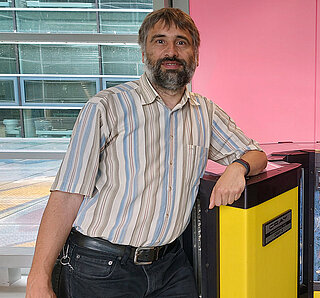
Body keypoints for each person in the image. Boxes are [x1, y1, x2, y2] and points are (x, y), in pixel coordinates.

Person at [26, 8, 267, 298]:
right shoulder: (106, 107)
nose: (171, 51)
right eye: (160, 41)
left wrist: (237, 167)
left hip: (171, 267)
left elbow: (256, 154)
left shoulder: (205, 112)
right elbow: (67, 194)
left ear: (196, 56)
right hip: (101, 268)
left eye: (181, 42)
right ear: (144, 53)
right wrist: (38, 276)